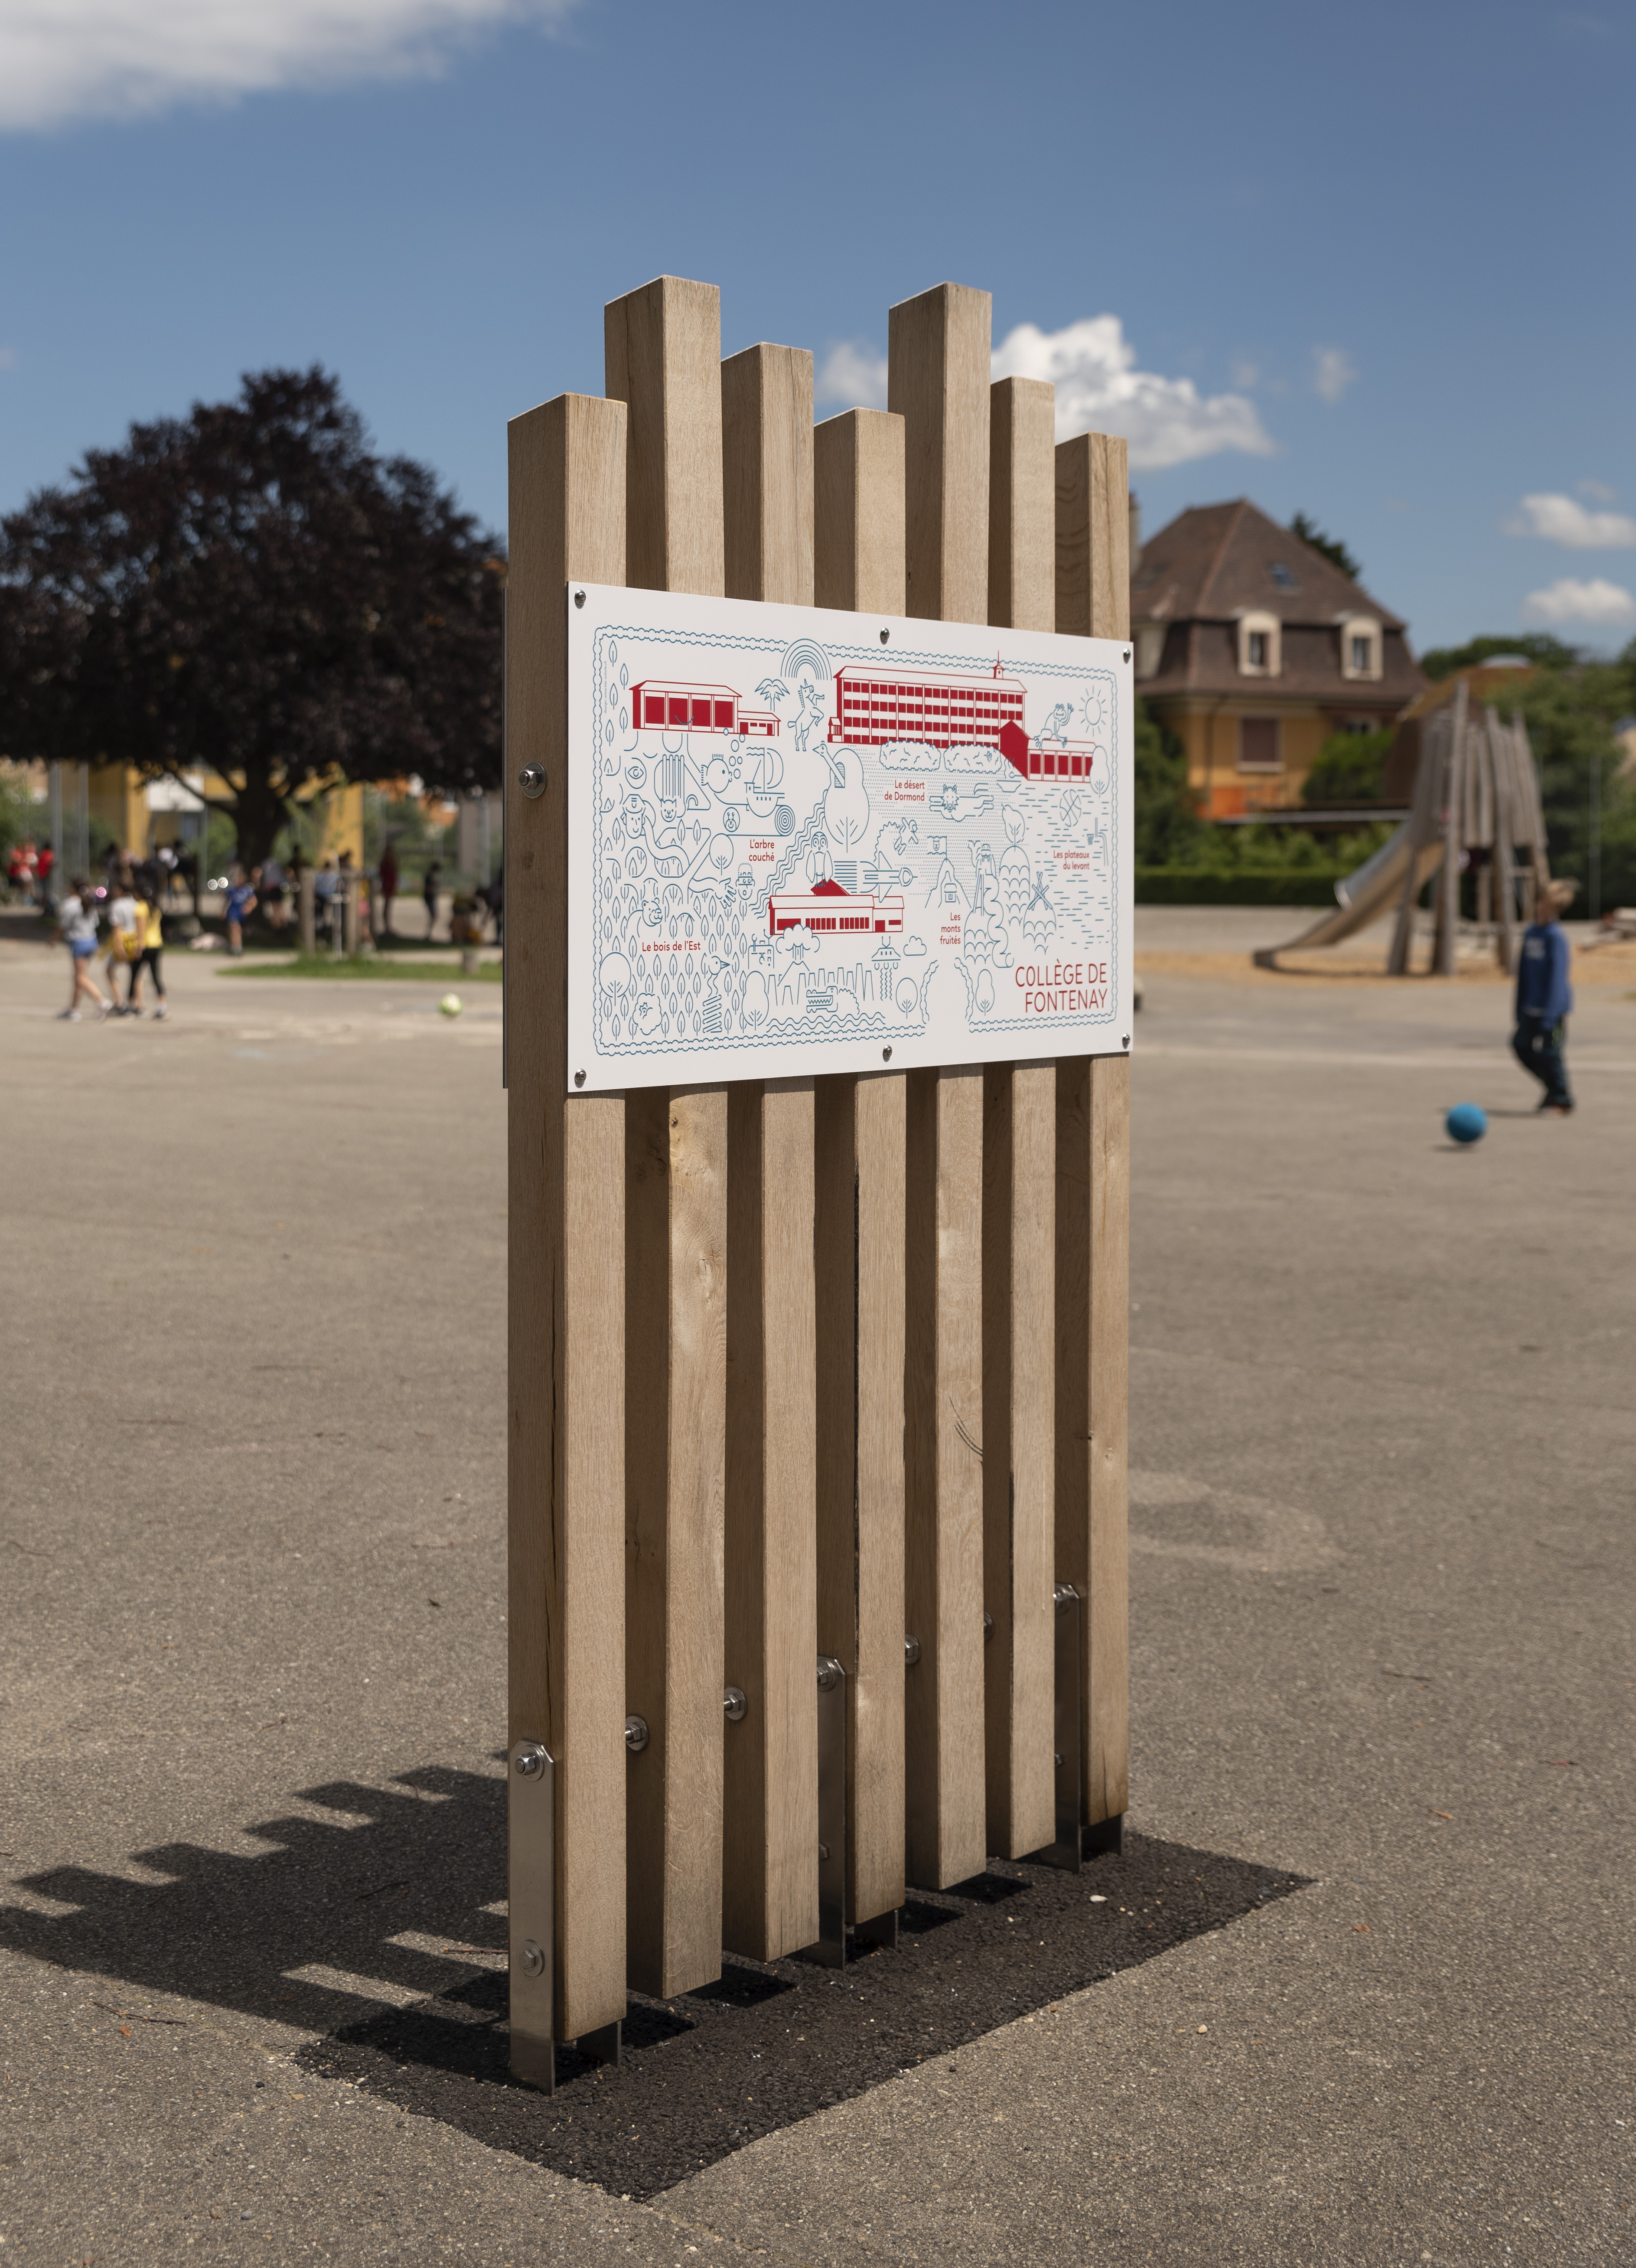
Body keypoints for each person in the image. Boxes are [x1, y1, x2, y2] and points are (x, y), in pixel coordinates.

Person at [1513, 878, 1577, 1115]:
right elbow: (1523, 973)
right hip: (1530, 1006)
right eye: (1542, 902)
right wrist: (1519, 1007)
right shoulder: (1531, 933)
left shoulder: (1555, 937)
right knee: (1520, 1046)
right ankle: (1553, 1090)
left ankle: (1561, 1098)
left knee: (1551, 1053)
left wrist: (1550, 1015)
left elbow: (1558, 979)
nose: (1543, 908)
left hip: (1553, 1009)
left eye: (1550, 906)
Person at [56, 876, 109, 1020]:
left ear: (73, 888)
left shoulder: (70, 904)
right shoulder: (89, 902)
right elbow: (96, 923)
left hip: (79, 943)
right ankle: (73, 1009)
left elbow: (63, 926)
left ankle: (102, 1001)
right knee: (80, 976)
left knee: (80, 977)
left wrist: (53, 940)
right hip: (91, 941)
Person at [127, 887, 168, 1018]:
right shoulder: (155, 908)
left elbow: (141, 929)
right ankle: (162, 1006)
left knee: (134, 976)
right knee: (156, 977)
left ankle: (132, 1005)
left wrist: (139, 948)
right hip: (156, 944)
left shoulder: (141, 908)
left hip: (145, 946)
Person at [104, 874, 142, 1011]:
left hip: (124, 941)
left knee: (109, 970)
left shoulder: (117, 906)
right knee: (135, 973)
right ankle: (139, 1003)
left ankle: (119, 1001)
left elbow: (117, 929)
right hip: (136, 940)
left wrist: (119, 947)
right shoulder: (137, 904)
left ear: (120, 889)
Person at [224, 866, 257, 957]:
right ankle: (236, 948)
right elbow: (226, 901)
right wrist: (222, 911)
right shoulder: (231, 890)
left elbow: (254, 901)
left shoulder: (247, 889)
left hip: (241, 913)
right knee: (235, 928)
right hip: (233, 912)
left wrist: (249, 908)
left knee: (237, 930)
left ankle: (236, 946)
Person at [378, 840, 398, 936]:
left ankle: (388, 926)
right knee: (387, 907)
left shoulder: (391, 861)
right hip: (387, 885)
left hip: (390, 885)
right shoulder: (386, 862)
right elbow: (384, 875)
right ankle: (387, 927)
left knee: (388, 907)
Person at [422, 858, 441, 943]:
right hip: (429, 898)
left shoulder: (430, 876)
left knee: (434, 916)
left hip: (431, 898)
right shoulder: (429, 877)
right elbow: (428, 889)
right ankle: (428, 934)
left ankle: (429, 933)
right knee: (433, 916)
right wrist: (435, 887)